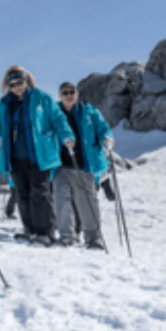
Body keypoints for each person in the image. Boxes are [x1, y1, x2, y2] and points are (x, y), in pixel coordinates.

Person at [0, 66, 75, 246]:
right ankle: (30, 230)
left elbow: (58, 119)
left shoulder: (41, 98)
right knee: (23, 194)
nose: (16, 87)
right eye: (12, 84)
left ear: (27, 80)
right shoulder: (4, 105)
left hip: (40, 154)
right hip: (15, 157)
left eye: (20, 82)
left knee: (40, 192)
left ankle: (45, 233)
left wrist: (67, 136)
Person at [54, 82, 113, 249]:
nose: (69, 95)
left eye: (72, 92)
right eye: (65, 92)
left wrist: (107, 138)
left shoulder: (89, 111)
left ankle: (93, 238)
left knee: (87, 202)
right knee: (61, 200)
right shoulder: (54, 113)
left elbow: (103, 128)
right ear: (60, 96)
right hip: (61, 166)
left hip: (84, 164)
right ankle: (67, 236)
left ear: (77, 93)